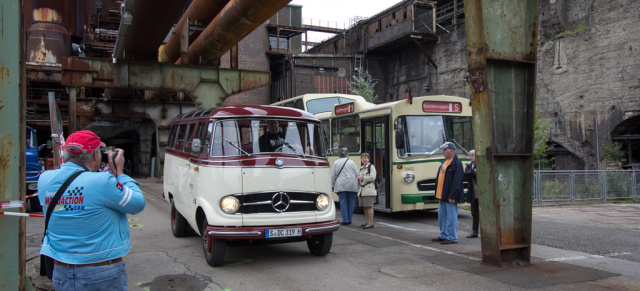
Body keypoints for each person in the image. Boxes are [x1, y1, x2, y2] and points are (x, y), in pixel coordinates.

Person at [38, 130, 146, 290]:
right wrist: (119, 172)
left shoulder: (44, 180)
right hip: (100, 272)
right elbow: (137, 203)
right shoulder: (102, 181)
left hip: (61, 271)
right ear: (95, 155)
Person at [431, 142, 464, 244]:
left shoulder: (457, 164)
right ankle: (443, 234)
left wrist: (452, 195)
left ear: (452, 151)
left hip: (450, 196)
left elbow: (457, 181)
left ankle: (452, 237)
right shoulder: (445, 163)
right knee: (442, 217)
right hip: (442, 195)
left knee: (451, 217)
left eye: (445, 150)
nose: (443, 152)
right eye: (443, 150)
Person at [330, 147, 359, 225]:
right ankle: (350, 219)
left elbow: (333, 176)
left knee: (343, 202)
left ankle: (345, 220)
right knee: (351, 202)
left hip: (341, 185)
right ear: (347, 154)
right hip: (352, 185)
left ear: (339, 154)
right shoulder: (351, 162)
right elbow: (357, 173)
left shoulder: (336, 163)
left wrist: (332, 186)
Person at [358, 153, 377, 229]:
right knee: (365, 207)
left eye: (366, 158)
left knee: (369, 207)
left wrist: (362, 178)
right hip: (362, 190)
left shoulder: (371, 167)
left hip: (369, 190)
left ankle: (370, 223)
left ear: (369, 159)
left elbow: (372, 177)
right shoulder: (361, 168)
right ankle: (368, 222)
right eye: (363, 158)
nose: (364, 160)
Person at [464, 150, 479, 238]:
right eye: (470, 155)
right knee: (474, 213)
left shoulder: (481, 165)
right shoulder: (468, 166)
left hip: (481, 193)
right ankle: (475, 231)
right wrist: (473, 172)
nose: (471, 157)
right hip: (473, 193)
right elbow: (466, 176)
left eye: (473, 155)